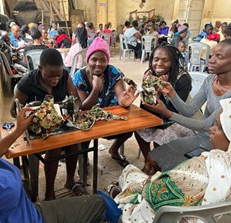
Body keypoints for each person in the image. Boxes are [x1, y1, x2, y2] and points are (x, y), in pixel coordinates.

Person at [0, 69, 106, 223]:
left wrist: (17, 131)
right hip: (31, 217)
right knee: (103, 207)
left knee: (100, 202)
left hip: (29, 212)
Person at [109, 97, 231, 223]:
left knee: (129, 174)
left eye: (220, 127)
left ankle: (118, 196)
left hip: (163, 217)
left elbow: (154, 195)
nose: (211, 129)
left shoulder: (202, 167)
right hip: (208, 216)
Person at [141, 38, 231, 175]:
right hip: (203, 137)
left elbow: (206, 125)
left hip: (220, 146)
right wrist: (171, 92)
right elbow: (188, 111)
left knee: (157, 162)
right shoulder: (210, 80)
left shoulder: (229, 95)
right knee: (152, 159)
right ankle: (143, 189)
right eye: (212, 55)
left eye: (219, 57)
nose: (211, 60)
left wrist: (167, 113)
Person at [10, 48, 87, 201]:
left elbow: (76, 99)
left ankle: (70, 181)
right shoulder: (27, 83)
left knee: (74, 141)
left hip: (58, 121)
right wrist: (30, 112)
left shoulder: (64, 75)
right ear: (39, 69)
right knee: (56, 144)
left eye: (58, 75)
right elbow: (14, 112)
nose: (55, 79)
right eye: (49, 75)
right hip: (35, 126)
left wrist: (76, 109)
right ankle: (49, 192)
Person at [72, 37, 138, 167]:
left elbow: (121, 95)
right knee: (83, 134)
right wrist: (96, 88)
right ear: (87, 60)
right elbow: (83, 107)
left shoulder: (113, 72)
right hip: (88, 118)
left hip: (109, 118)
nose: (98, 64)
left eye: (103, 60)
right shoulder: (79, 76)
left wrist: (124, 101)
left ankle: (114, 149)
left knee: (129, 129)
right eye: (94, 59)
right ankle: (84, 156)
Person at [134, 43, 193, 162]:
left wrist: (159, 93)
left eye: (165, 60)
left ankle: (157, 163)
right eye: (156, 59)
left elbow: (172, 112)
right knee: (138, 128)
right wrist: (150, 89)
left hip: (181, 118)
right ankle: (148, 161)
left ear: (173, 62)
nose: (159, 64)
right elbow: (144, 106)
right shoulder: (149, 74)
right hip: (158, 114)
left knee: (160, 135)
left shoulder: (182, 79)